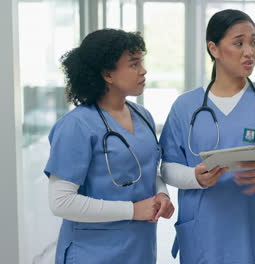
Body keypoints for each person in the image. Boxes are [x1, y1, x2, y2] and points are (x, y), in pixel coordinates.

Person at [159, 9, 255, 264]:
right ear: (214, 49)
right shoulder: (185, 107)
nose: (249, 51)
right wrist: (194, 177)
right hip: (205, 234)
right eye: (239, 43)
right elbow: (168, 168)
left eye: (253, 42)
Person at [44, 28, 174, 264]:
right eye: (134, 64)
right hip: (92, 253)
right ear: (107, 74)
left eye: (141, 62)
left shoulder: (142, 116)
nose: (143, 70)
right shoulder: (76, 126)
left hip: (140, 249)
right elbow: (61, 202)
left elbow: (146, 171)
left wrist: (162, 194)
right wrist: (133, 210)